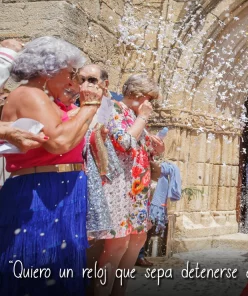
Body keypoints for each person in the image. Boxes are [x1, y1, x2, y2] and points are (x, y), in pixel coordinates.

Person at [0, 36, 104, 296]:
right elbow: (60, 142)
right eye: (70, 73)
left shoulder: (47, 99)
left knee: (61, 270)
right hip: (39, 190)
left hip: (62, 189)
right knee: (36, 267)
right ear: (49, 69)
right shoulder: (29, 94)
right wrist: (89, 107)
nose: (73, 81)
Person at [97, 74, 164, 296]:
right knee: (117, 244)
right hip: (119, 187)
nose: (150, 105)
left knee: (137, 239)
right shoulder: (112, 109)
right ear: (136, 95)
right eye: (149, 98)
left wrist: (157, 148)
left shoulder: (135, 117)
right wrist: (143, 118)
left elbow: (139, 148)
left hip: (137, 189)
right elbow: (124, 143)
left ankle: (119, 291)